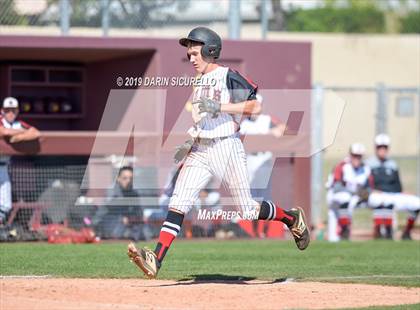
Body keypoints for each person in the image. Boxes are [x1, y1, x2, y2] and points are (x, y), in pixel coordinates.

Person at [127, 27, 310, 279]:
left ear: (209, 50)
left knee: (246, 209)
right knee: (178, 202)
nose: (191, 58)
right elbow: (202, 118)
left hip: (227, 147)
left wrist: (221, 106)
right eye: (189, 53)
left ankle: (292, 219)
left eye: (195, 53)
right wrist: (190, 141)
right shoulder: (198, 81)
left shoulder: (227, 75)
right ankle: (155, 260)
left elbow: (256, 107)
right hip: (201, 148)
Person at [240, 109, 286, 238]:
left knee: (265, 198)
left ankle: (265, 232)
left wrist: (272, 132)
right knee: (253, 200)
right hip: (250, 160)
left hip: (264, 159)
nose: (254, 111)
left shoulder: (266, 119)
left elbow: (284, 128)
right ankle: (255, 233)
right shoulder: (245, 124)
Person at [366, 134, 419, 240]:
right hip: (376, 194)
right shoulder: (368, 164)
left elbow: (398, 186)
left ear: (388, 148)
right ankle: (382, 232)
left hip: (393, 194)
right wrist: (371, 190)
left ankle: (407, 232)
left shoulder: (392, 164)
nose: (382, 149)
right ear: (375, 148)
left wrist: (404, 192)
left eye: (384, 147)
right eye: (380, 147)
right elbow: (365, 184)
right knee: (380, 200)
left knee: (417, 202)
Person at [0, 97, 40, 225]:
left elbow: (35, 133)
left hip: (4, 167)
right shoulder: (1, 121)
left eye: (13, 110)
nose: (10, 113)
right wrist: (22, 132)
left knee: (5, 205)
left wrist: (19, 137)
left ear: (17, 111)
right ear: (2, 111)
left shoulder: (19, 124)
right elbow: (4, 131)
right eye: (7, 110)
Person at [326, 143, 372, 241]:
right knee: (345, 198)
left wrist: (365, 194)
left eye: (359, 156)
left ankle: (344, 231)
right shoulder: (342, 166)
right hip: (334, 195)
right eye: (355, 155)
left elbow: (369, 188)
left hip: (351, 196)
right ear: (350, 155)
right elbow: (336, 188)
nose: (357, 158)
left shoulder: (365, 169)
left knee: (350, 202)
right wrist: (355, 193)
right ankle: (344, 229)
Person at [93, 166, 144, 240]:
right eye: (125, 178)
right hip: (108, 223)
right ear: (118, 178)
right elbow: (108, 209)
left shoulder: (134, 193)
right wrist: (122, 217)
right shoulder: (112, 191)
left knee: (144, 232)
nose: (128, 181)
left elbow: (138, 211)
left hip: (128, 224)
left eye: (131, 178)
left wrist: (132, 218)